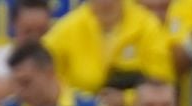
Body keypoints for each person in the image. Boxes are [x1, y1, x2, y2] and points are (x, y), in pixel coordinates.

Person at [42, 0, 174, 98]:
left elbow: (162, 84)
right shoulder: (66, 29)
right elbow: (44, 78)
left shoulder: (147, 26)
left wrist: (125, 101)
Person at [0, 0, 53, 106]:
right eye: (28, 31)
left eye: (42, 32)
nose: (35, 39)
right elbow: (0, 96)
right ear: (13, 26)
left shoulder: (57, 56)